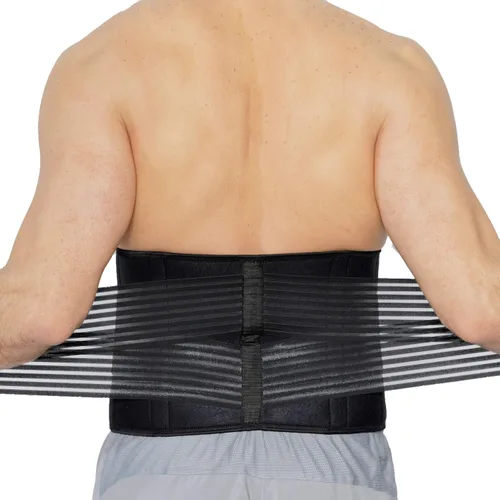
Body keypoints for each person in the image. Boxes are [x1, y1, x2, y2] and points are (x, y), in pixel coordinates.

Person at [0, 0, 499, 499]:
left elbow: (39, 313)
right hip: (335, 471)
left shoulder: (101, 66)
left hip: (160, 470)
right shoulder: (391, 69)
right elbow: (483, 308)